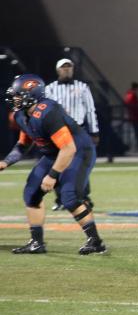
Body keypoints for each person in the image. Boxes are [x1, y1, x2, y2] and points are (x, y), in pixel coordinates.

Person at [1, 74, 107, 255]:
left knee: (69, 197)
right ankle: (37, 243)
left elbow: (68, 148)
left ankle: (95, 242)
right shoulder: (21, 115)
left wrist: (52, 175)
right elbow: (23, 144)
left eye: (18, 95)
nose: (15, 99)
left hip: (78, 151)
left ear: (31, 94)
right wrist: (5, 162)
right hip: (54, 153)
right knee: (32, 193)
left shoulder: (48, 112)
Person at [45, 58, 99, 211]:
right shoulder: (50, 89)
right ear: (58, 70)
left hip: (78, 131)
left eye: (69, 67)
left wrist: (94, 131)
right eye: (64, 67)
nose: (67, 69)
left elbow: (90, 110)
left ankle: (84, 197)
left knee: (81, 164)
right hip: (58, 132)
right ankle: (60, 199)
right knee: (59, 164)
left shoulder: (82, 87)